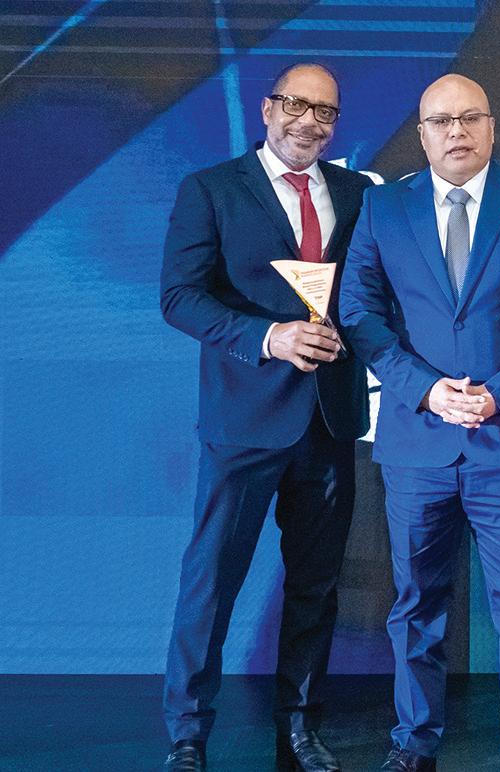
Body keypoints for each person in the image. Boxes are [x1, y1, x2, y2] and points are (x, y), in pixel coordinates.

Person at [338, 74, 500, 772]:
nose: (456, 132)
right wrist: (425, 390)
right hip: (417, 442)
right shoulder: (383, 208)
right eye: (441, 121)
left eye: (470, 117)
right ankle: (413, 742)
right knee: (415, 603)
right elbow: (358, 311)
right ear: (422, 134)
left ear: (492, 126)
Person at [159, 63, 372, 772]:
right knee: (211, 581)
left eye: (326, 112)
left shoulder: (357, 193)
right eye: (296, 105)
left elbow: (371, 292)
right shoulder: (212, 189)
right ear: (267, 108)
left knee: (315, 586)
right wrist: (268, 336)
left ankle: (299, 727)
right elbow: (179, 297)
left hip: (330, 421)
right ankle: (188, 733)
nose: (309, 122)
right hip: (243, 421)